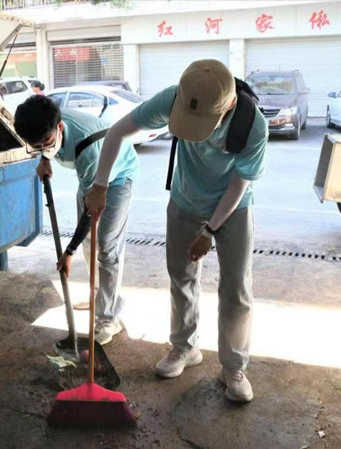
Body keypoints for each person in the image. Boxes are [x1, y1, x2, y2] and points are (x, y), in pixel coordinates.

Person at [85, 59, 268, 402]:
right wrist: (100, 185)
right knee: (181, 278)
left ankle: (233, 366)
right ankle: (184, 347)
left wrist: (210, 231)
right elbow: (117, 132)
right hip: (184, 202)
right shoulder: (174, 98)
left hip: (233, 208)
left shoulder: (252, 126)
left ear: (228, 105)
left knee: (236, 288)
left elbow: (239, 185)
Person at [14, 95, 140, 345]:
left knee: (106, 247)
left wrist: (67, 251)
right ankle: (98, 295)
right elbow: (45, 144)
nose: (42, 147)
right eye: (35, 145)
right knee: (88, 243)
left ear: (59, 128)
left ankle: (108, 317)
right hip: (92, 178)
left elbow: (89, 211)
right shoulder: (46, 120)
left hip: (117, 176)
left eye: (46, 143)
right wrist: (45, 159)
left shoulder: (87, 148)